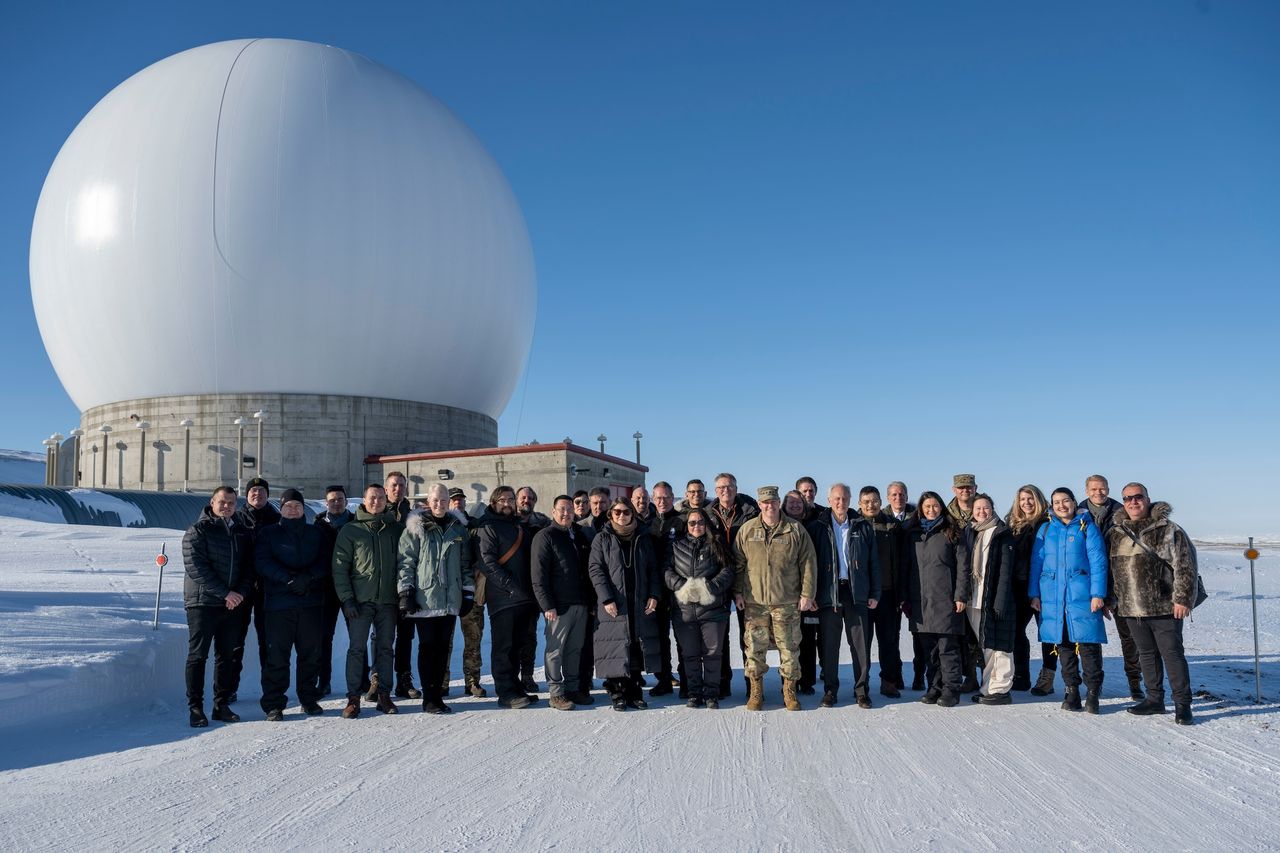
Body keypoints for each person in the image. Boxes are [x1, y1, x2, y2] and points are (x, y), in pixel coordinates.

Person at [1108, 484, 1198, 725]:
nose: (1133, 502)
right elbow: (1110, 571)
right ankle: (1154, 699)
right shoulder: (1116, 533)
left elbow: (1185, 566)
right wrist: (1110, 598)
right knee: (1146, 655)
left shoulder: (1168, 530)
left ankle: (1182, 704)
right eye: (1127, 498)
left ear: (1147, 499)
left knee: (1172, 655)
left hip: (1164, 606)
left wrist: (1182, 598)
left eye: (1138, 497)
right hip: (1130, 607)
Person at [734, 486, 817, 711]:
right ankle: (756, 692)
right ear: (759, 505)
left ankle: (789, 691)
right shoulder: (747, 530)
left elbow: (808, 563)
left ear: (778, 503)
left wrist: (807, 594)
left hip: (787, 601)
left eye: (773, 502)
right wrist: (738, 592)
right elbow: (739, 565)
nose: (769, 506)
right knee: (754, 649)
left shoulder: (795, 530)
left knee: (789, 648)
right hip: (755, 603)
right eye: (765, 502)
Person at [397, 483, 474, 714]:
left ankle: (438, 695)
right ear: (428, 502)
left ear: (449, 502)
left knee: (443, 648)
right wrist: (406, 591)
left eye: (443, 500)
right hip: (425, 598)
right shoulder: (416, 527)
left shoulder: (457, 528)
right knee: (427, 647)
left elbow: (465, 564)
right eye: (435, 500)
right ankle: (429, 697)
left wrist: (467, 592)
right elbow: (406, 562)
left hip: (450, 599)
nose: (439, 504)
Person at [1030, 487, 1108, 714]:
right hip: (1053, 596)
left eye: (1065, 501)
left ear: (1074, 503)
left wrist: (1098, 595)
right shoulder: (1046, 529)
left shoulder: (1086, 527)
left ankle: (1093, 693)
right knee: (1063, 646)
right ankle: (1071, 689)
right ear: (1051, 506)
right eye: (1056, 502)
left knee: (1088, 646)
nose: (1061, 506)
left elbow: (1098, 562)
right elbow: (1037, 563)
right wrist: (1034, 593)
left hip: (1082, 596)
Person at [182, 486, 254, 727]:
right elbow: (196, 568)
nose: (227, 506)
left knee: (226, 656)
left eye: (231, 503)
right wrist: (227, 593)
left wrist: (240, 593)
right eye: (222, 502)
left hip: (232, 604)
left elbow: (248, 568)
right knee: (198, 656)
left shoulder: (242, 532)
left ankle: (221, 705)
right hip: (203, 602)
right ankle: (195, 707)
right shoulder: (198, 530)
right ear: (212, 502)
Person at [333, 483, 404, 718]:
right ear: (364, 500)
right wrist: (347, 600)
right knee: (356, 649)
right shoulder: (351, 530)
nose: (377, 502)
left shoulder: (395, 529)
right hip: (360, 602)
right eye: (372, 498)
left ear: (386, 500)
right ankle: (354, 697)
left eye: (381, 498)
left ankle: (384, 694)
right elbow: (340, 569)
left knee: (385, 648)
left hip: (388, 601)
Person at [255, 488, 328, 720]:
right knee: (277, 656)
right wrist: (287, 578)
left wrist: (309, 578)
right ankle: (274, 704)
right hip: (279, 605)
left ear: (303, 508)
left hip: (310, 602)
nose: (293, 509)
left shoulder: (315, 533)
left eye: (297, 506)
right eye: (288, 506)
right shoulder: (268, 534)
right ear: (281, 508)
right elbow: (262, 562)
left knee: (310, 654)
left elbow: (326, 561)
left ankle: (308, 698)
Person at [806, 484, 879, 709]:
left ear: (850, 500)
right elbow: (810, 563)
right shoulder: (817, 527)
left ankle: (861, 690)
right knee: (829, 645)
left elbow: (873, 563)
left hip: (856, 593)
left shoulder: (862, 526)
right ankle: (830, 690)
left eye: (845, 498)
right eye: (837, 498)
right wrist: (812, 593)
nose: (840, 503)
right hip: (829, 593)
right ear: (829, 500)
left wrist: (875, 592)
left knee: (860, 645)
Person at [589, 499, 661, 710]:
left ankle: (635, 691)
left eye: (626, 512)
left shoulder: (643, 537)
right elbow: (596, 570)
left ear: (632, 514)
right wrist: (606, 598)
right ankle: (617, 691)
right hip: (614, 601)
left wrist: (654, 594)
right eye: (617, 512)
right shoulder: (602, 538)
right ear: (611, 514)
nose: (622, 516)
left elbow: (653, 569)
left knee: (636, 645)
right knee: (615, 646)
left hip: (638, 600)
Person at [474, 486, 541, 709]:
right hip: (502, 598)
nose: (507, 503)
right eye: (502, 499)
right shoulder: (488, 526)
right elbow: (487, 562)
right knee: (503, 647)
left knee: (517, 646)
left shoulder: (518, 525)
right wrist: (510, 586)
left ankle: (516, 687)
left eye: (510, 499)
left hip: (524, 598)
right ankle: (505, 692)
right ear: (493, 502)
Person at [903, 491, 971, 708]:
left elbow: (963, 566)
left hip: (945, 600)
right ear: (920, 509)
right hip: (920, 600)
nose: (931, 510)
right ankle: (935, 687)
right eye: (926, 506)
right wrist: (904, 597)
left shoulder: (951, 532)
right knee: (929, 650)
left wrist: (961, 595)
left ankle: (951, 688)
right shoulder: (912, 534)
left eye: (935, 506)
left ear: (941, 507)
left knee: (947, 648)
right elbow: (906, 568)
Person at [665, 506, 734, 709]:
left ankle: (712, 692)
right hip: (684, 610)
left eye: (700, 522)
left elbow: (728, 570)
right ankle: (694, 692)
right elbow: (666, 570)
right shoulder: (676, 545)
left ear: (707, 524)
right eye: (692, 522)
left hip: (713, 609)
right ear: (687, 525)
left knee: (713, 653)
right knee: (690, 654)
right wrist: (682, 586)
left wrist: (710, 587)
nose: (696, 526)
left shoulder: (717, 544)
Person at [1081, 474, 1143, 701]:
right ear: (1087, 491)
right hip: (1089, 585)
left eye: (1103, 489)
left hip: (1120, 584)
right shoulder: (1078, 513)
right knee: (1090, 637)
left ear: (1108, 489)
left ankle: (1135, 681)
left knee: (1129, 637)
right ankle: (1093, 686)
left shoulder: (1121, 512)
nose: (1098, 493)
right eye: (1094, 489)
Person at [531, 495, 593, 710]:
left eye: (570, 509)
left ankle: (573, 689)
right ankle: (556, 693)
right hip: (558, 606)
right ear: (553, 511)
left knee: (574, 650)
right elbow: (538, 576)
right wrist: (546, 605)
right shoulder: (545, 536)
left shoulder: (577, 535)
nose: (566, 513)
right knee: (555, 650)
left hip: (580, 603)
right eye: (562, 509)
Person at [707, 472, 760, 697]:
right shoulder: (708, 514)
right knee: (720, 634)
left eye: (728, 487)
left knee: (748, 635)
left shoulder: (750, 511)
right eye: (720, 487)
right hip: (718, 577)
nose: (724, 491)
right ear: (715, 490)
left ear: (736, 489)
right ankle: (722, 683)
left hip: (744, 578)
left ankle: (752, 684)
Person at [228, 476, 280, 703]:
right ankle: (229, 688)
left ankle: (269, 689)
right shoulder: (236, 518)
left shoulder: (277, 519)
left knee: (267, 641)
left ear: (268, 495)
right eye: (253, 491)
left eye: (261, 491)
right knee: (235, 640)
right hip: (241, 588)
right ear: (246, 495)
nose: (257, 494)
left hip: (268, 588)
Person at [963, 494, 1017, 705]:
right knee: (986, 645)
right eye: (978, 509)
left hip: (993, 598)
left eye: (985, 508)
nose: (982, 512)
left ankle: (1001, 688)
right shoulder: (971, 532)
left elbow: (1005, 571)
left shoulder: (1001, 533)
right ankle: (988, 687)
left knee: (1000, 644)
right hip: (973, 600)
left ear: (992, 509)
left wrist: (1000, 600)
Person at [858, 486, 908, 698]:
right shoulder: (854, 525)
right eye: (867, 501)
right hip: (862, 594)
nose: (871, 505)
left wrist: (901, 592)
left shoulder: (893, 526)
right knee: (863, 642)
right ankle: (863, 683)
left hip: (888, 594)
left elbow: (902, 560)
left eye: (875, 501)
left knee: (888, 641)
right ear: (860, 504)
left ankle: (888, 681)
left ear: (881, 502)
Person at [1005, 485, 1052, 694]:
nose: (1027, 503)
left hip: (1043, 587)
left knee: (1048, 633)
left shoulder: (1049, 523)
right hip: (1018, 586)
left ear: (1038, 500)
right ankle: (1021, 675)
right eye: (1023, 499)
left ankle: (1047, 677)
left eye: (1030, 498)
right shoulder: (1013, 525)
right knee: (1016, 632)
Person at [379, 471, 420, 703]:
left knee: (406, 635)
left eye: (402, 485)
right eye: (394, 485)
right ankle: (378, 679)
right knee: (381, 636)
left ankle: (404, 679)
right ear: (386, 488)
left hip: (407, 583)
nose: (398, 489)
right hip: (382, 583)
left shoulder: (412, 514)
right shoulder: (377, 510)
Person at [646, 481, 686, 697]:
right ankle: (664, 679)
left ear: (673, 498)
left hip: (679, 589)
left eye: (667, 497)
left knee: (683, 636)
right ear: (653, 499)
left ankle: (687, 678)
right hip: (657, 590)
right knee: (660, 637)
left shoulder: (682, 522)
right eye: (658, 498)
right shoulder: (648, 525)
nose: (662, 501)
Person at [313, 485, 354, 697]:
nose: (336, 502)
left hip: (352, 588)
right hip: (326, 589)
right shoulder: (318, 525)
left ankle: (361, 680)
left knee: (357, 636)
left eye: (340, 499)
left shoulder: (356, 522)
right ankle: (324, 681)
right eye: (332, 499)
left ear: (346, 501)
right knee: (323, 637)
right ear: (325, 502)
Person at [447, 487, 487, 698]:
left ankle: (472, 681)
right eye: (454, 501)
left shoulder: (475, 526)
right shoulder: (442, 525)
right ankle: (442, 682)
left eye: (461, 500)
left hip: (470, 589)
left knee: (473, 638)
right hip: (445, 592)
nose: (458, 504)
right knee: (444, 640)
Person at [785, 490, 820, 695]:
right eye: (791, 502)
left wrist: (812, 593)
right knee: (788, 641)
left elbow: (817, 562)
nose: (796, 505)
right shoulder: (779, 526)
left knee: (807, 639)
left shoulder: (813, 527)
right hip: (786, 595)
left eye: (799, 502)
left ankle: (806, 681)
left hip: (808, 594)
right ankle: (789, 680)